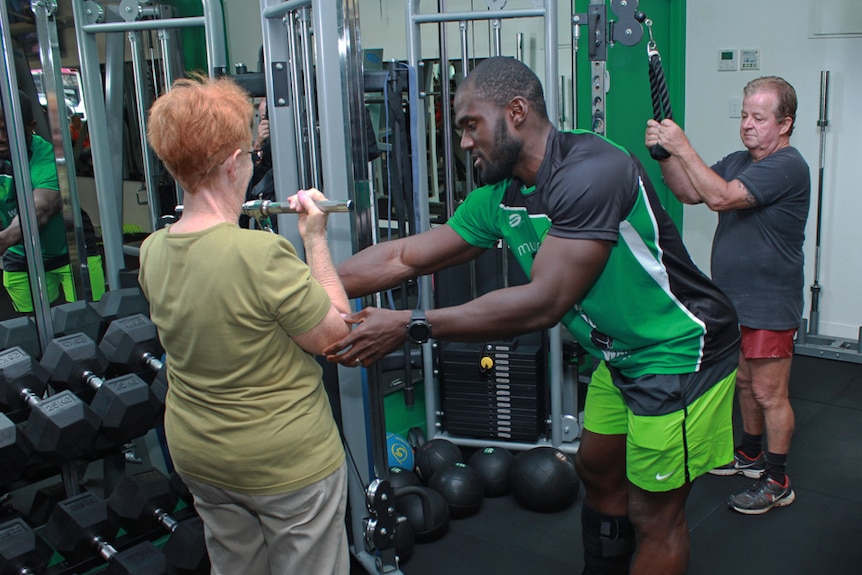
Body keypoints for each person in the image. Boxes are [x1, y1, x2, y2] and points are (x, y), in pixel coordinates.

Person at [325, 56, 741, 574]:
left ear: (515, 111)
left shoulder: (594, 170)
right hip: (619, 351)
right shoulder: (500, 198)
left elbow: (546, 301)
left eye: (470, 125)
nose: (463, 143)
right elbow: (402, 256)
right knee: (597, 470)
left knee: (655, 514)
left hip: (679, 349)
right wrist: (302, 285)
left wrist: (412, 325)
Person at [139, 74, 353, 575]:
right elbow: (338, 336)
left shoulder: (152, 252)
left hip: (200, 456)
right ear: (235, 164)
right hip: (285, 464)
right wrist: (315, 238)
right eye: (252, 155)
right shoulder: (259, 254)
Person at [645, 76, 809, 515]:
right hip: (733, 300)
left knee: (770, 393)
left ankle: (777, 480)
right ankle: (750, 455)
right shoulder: (739, 160)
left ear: (784, 124)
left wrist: (682, 145)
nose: (748, 125)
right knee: (742, 383)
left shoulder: (788, 165)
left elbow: (719, 198)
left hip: (770, 303)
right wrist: (664, 154)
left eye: (759, 117)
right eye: (744, 115)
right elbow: (687, 191)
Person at [0, 90, 105, 314]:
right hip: (21, 255)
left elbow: (40, 210)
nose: (0, 137)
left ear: (31, 127)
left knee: (92, 321)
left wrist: (4, 239)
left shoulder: (49, 158)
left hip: (72, 249)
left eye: (6, 129)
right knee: (29, 328)